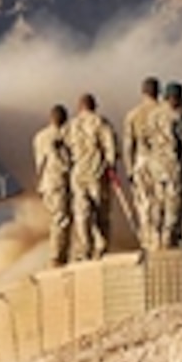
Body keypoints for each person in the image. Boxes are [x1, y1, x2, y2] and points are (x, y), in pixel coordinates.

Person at [67, 93, 118, 261]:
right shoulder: (100, 122)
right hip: (97, 173)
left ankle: (84, 248)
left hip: (78, 175)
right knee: (101, 213)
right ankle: (101, 248)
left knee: (82, 213)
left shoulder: (71, 126)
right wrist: (111, 165)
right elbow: (110, 146)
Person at [147, 82, 182, 249]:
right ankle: (168, 238)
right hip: (172, 164)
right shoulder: (176, 117)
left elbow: (147, 138)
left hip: (155, 165)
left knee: (157, 202)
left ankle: (154, 237)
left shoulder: (153, 115)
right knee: (173, 203)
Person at [32, 105, 73, 267]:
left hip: (45, 184)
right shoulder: (63, 136)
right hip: (58, 182)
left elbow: (39, 163)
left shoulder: (39, 137)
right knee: (61, 219)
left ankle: (59, 253)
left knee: (57, 218)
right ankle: (57, 257)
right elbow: (64, 163)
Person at [122, 77, 160, 248]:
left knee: (144, 202)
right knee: (161, 201)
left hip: (141, 162)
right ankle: (160, 239)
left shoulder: (133, 115)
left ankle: (147, 239)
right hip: (161, 163)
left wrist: (129, 169)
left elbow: (128, 145)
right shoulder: (163, 112)